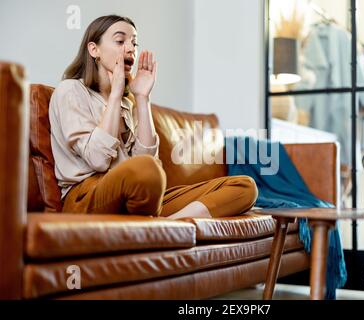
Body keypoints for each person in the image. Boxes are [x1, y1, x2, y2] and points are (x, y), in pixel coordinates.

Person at [49, 15, 258, 219]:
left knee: (244, 186)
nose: (131, 49)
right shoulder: (71, 90)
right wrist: (115, 93)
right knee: (147, 170)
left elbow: (148, 159)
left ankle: (170, 225)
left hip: (138, 196)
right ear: (94, 49)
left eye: (134, 43)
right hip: (88, 196)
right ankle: (155, 224)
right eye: (121, 41)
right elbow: (98, 160)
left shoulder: (128, 101)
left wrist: (142, 97)